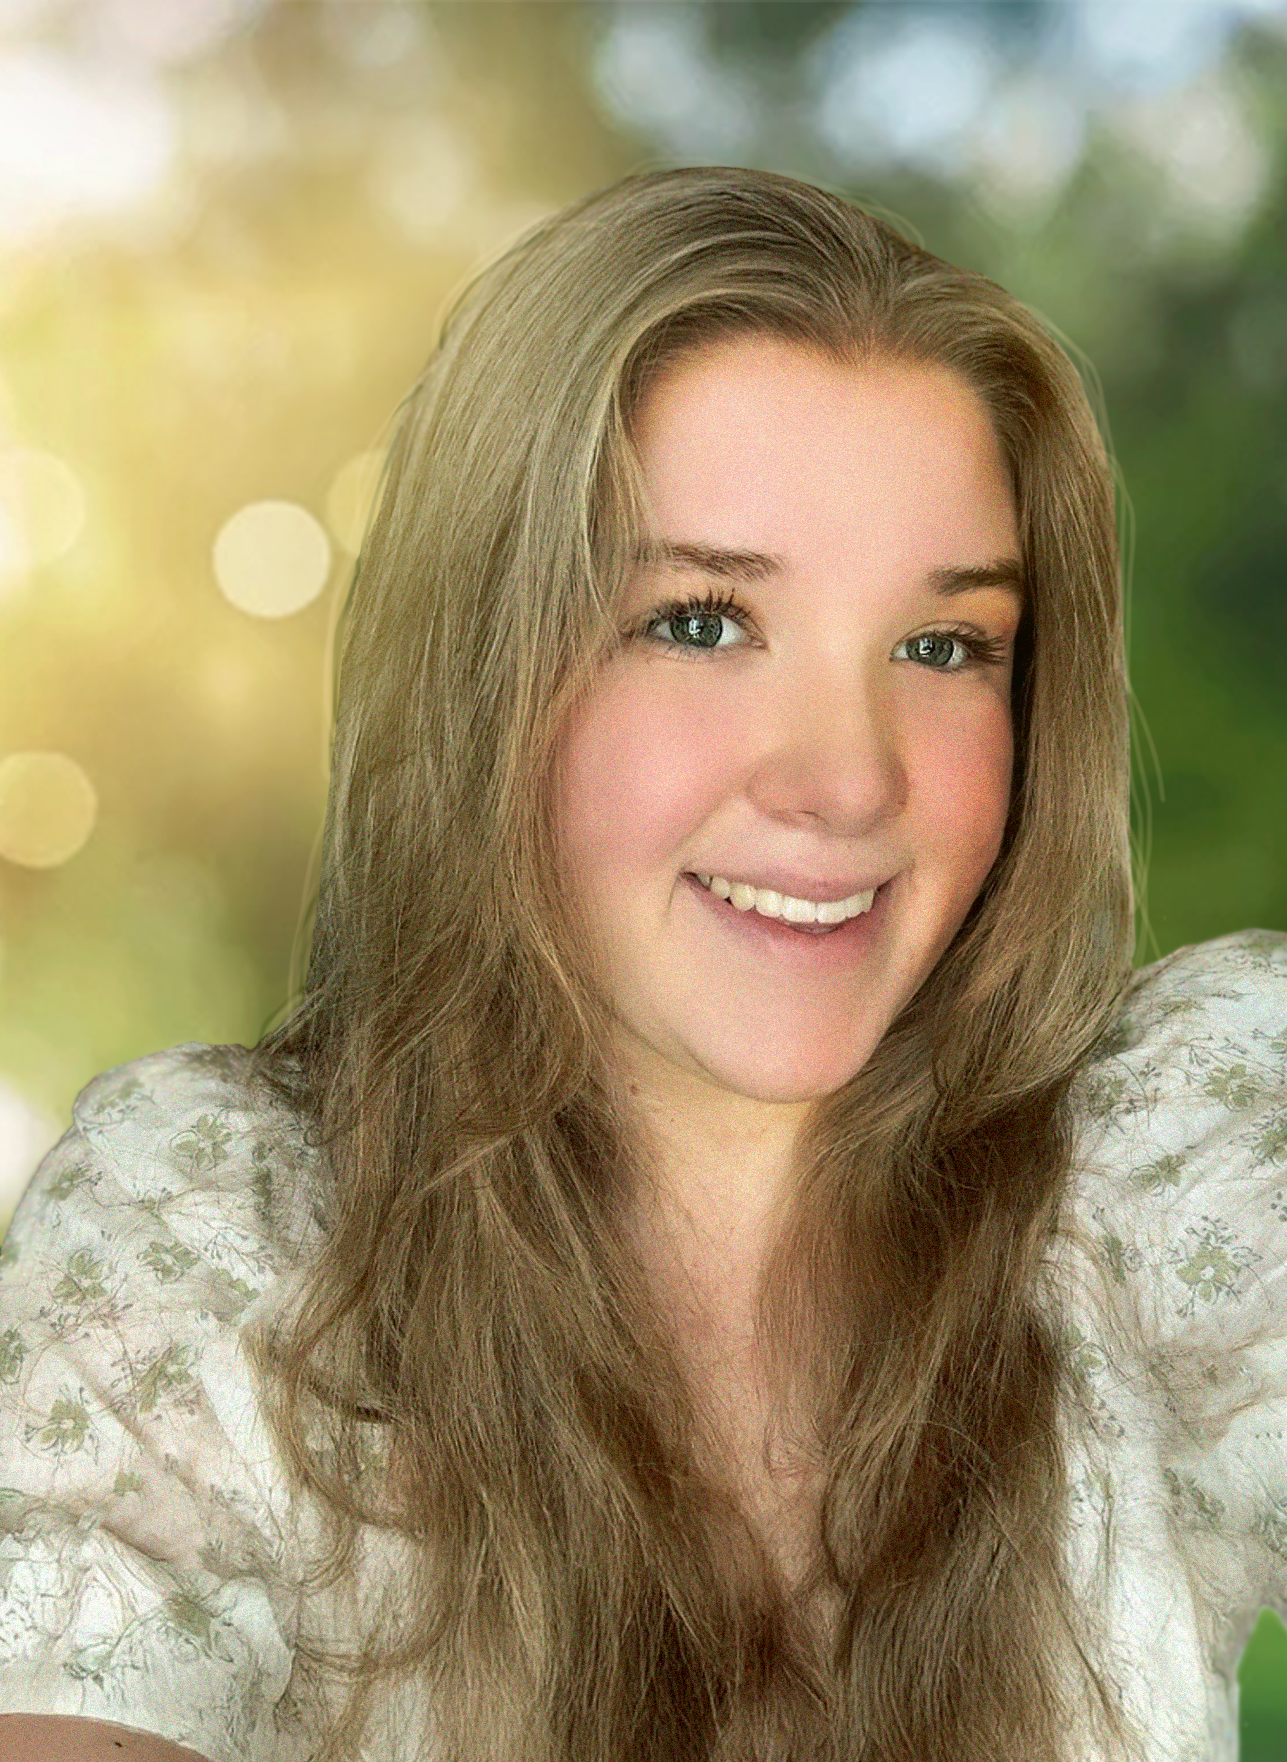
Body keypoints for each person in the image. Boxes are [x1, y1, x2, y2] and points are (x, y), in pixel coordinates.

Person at [0, 164, 1284, 1762]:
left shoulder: (1170, 1180)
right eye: (698, 620)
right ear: (482, 670)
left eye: (945, 647)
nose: (846, 781)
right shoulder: (221, 1241)